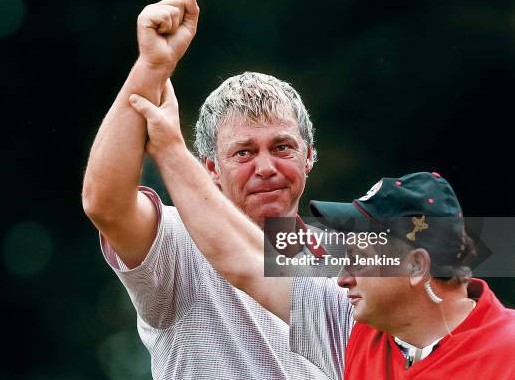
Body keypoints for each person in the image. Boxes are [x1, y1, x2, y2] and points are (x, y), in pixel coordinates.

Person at [128, 72, 515, 378]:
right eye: (244, 152)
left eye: (361, 254)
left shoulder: (505, 351)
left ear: (416, 266)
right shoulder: (358, 335)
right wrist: (168, 144)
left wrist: (170, 148)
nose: (342, 275)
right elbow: (244, 260)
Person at [82, 0, 335, 379]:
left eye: (282, 147)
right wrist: (151, 67)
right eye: (244, 153)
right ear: (211, 168)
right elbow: (105, 203)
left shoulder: (349, 250)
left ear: (309, 156)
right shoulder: (179, 241)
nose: (266, 167)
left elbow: (449, 257)